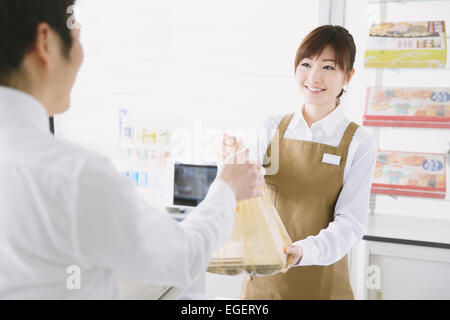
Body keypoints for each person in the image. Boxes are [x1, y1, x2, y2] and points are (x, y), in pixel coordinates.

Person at [0, 0, 264, 299]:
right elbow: (181, 257)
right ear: (45, 42)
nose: (81, 55)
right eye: (77, 37)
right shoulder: (76, 176)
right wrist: (227, 188)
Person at [237, 25, 377, 299]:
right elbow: (243, 180)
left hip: (321, 283)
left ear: (348, 76)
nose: (314, 77)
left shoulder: (358, 142)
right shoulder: (272, 127)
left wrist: (302, 252)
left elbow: (350, 224)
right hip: (263, 284)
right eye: (306, 63)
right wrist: (234, 162)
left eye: (328, 67)